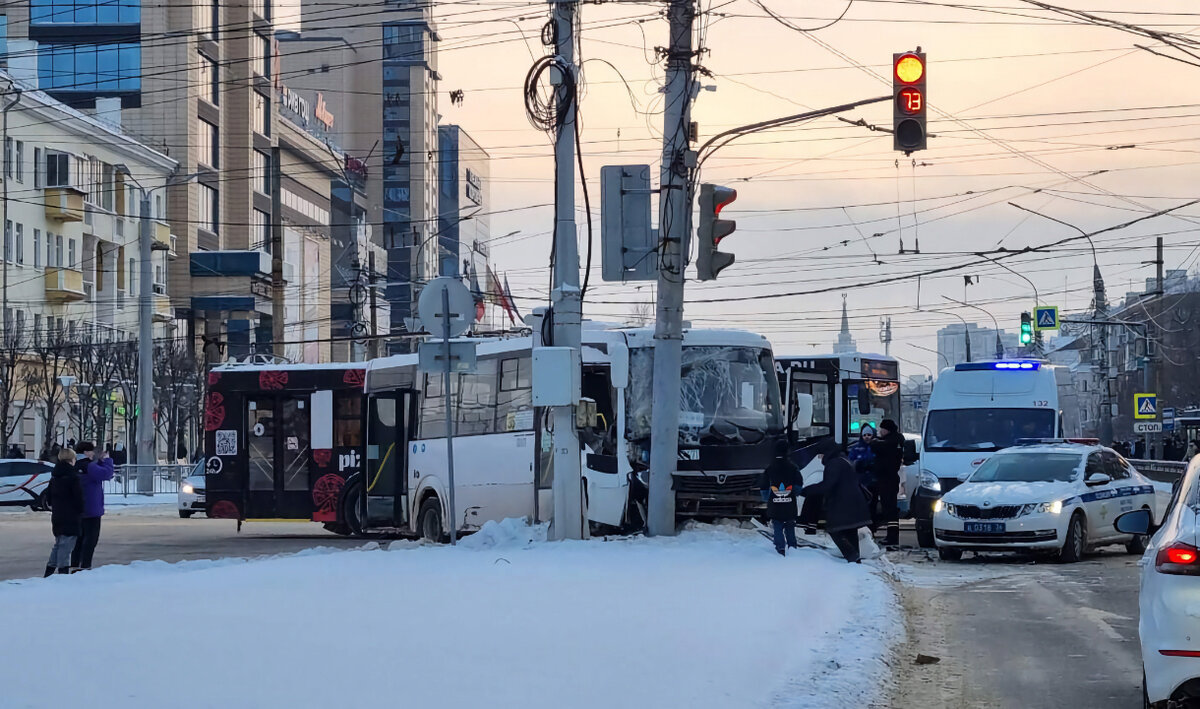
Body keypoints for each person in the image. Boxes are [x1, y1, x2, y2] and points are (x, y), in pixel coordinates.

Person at [800, 438, 872, 563]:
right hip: (854, 502)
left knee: (835, 530)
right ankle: (855, 559)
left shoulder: (834, 464)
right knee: (850, 530)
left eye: (820, 454)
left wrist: (807, 490)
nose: (819, 457)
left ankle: (852, 556)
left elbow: (827, 485)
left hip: (843, 504)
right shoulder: (844, 460)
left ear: (826, 452)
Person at [72, 443, 114, 570]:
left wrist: (99, 463)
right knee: (90, 540)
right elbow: (107, 474)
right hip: (92, 508)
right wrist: (107, 460)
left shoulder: (73, 464)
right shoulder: (88, 466)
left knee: (78, 540)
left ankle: (74, 565)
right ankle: (85, 566)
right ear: (86, 452)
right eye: (91, 451)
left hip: (76, 508)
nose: (93, 454)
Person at [45, 448, 83, 576]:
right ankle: (63, 574)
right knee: (66, 548)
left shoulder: (55, 477)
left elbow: (49, 498)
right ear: (71, 460)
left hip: (57, 516)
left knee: (59, 544)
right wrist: (81, 510)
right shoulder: (73, 477)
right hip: (71, 517)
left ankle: (49, 572)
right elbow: (78, 498)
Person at [760, 441, 801, 556]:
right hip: (789, 503)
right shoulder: (793, 467)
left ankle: (780, 548)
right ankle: (792, 547)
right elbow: (798, 485)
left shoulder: (770, 468)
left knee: (777, 524)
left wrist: (767, 497)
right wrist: (794, 493)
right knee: (790, 525)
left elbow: (764, 486)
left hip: (775, 503)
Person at [870, 419, 905, 547]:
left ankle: (892, 537)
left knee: (889, 508)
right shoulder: (895, 440)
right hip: (887, 478)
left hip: (888, 479)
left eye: (882, 429)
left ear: (887, 429)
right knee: (888, 507)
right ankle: (891, 535)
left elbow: (879, 446)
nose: (880, 431)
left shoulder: (892, 441)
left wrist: (873, 441)